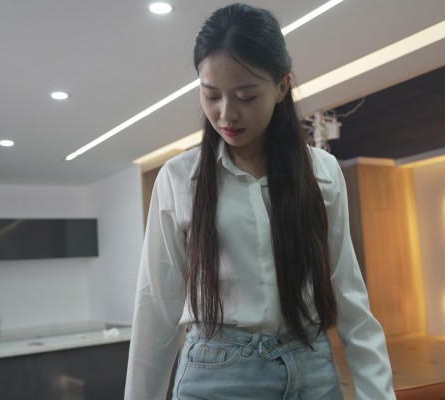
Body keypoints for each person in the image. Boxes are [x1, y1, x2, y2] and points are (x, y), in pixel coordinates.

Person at [125, 3, 394, 399]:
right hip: (216, 375)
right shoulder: (180, 178)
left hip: (311, 369)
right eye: (211, 95)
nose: (226, 114)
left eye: (246, 96)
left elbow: (349, 295)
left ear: (282, 86)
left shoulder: (322, 172)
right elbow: (156, 308)